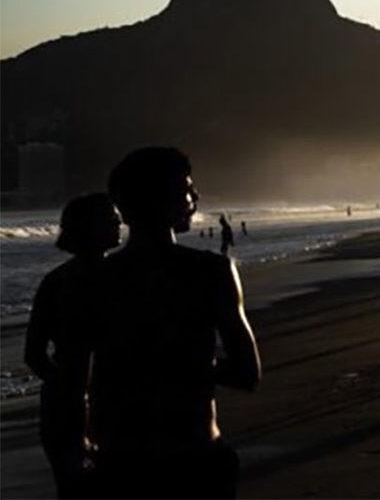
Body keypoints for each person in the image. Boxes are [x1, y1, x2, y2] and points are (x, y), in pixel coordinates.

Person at [91, 147, 260, 498]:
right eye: (187, 188)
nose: (195, 196)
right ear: (165, 200)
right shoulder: (211, 272)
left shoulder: (93, 281)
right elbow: (247, 372)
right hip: (194, 454)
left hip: (118, 461)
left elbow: (75, 377)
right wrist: (193, 367)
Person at [25, 193, 122, 497]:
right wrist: (73, 393)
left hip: (66, 402)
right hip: (79, 406)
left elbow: (34, 354)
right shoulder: (120, 278)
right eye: (111, 219)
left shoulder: (55, 280)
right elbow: (35, 353)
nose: (119, 223)